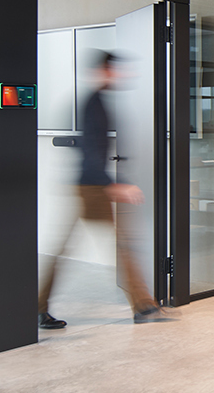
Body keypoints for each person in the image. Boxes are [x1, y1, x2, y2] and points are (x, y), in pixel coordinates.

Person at [38, 51, 172, 327]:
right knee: (119, 244)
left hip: (90, 184)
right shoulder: (94, 104)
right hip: (92, 186)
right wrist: (112, 185)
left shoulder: (97, 101)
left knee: (99, 245)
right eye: (115, 70)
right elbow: (91, 150)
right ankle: (143, 305)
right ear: (104, 71)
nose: (120, 75)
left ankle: (143, 305)